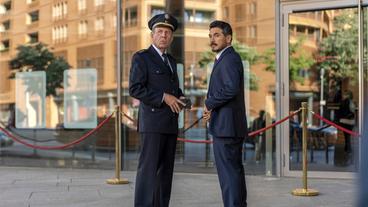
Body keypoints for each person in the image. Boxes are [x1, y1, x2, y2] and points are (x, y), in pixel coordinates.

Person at [129, 13, 186, 207]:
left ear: (171, 37)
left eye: (168, 32)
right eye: (160, 31)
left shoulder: (171, 61)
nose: (164, 35)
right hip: (152, 124)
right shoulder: (142, 58)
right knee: (148, 172)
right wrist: (164, 97)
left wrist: (181, 97)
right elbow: (135, 88)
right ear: (152, 35)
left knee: (165, 173)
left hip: (170, 123)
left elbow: (174, 90)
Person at [203, 20, 248, 207]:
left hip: (226, 128)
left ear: (228, 38)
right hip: (227, 125)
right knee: (234, 172)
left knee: (229, 175)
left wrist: (209, 103)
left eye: (217, 35)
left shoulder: (229, 58)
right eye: (210, 36)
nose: (212, 39)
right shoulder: (224, 58)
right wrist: (212, 110)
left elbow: (230, 89)